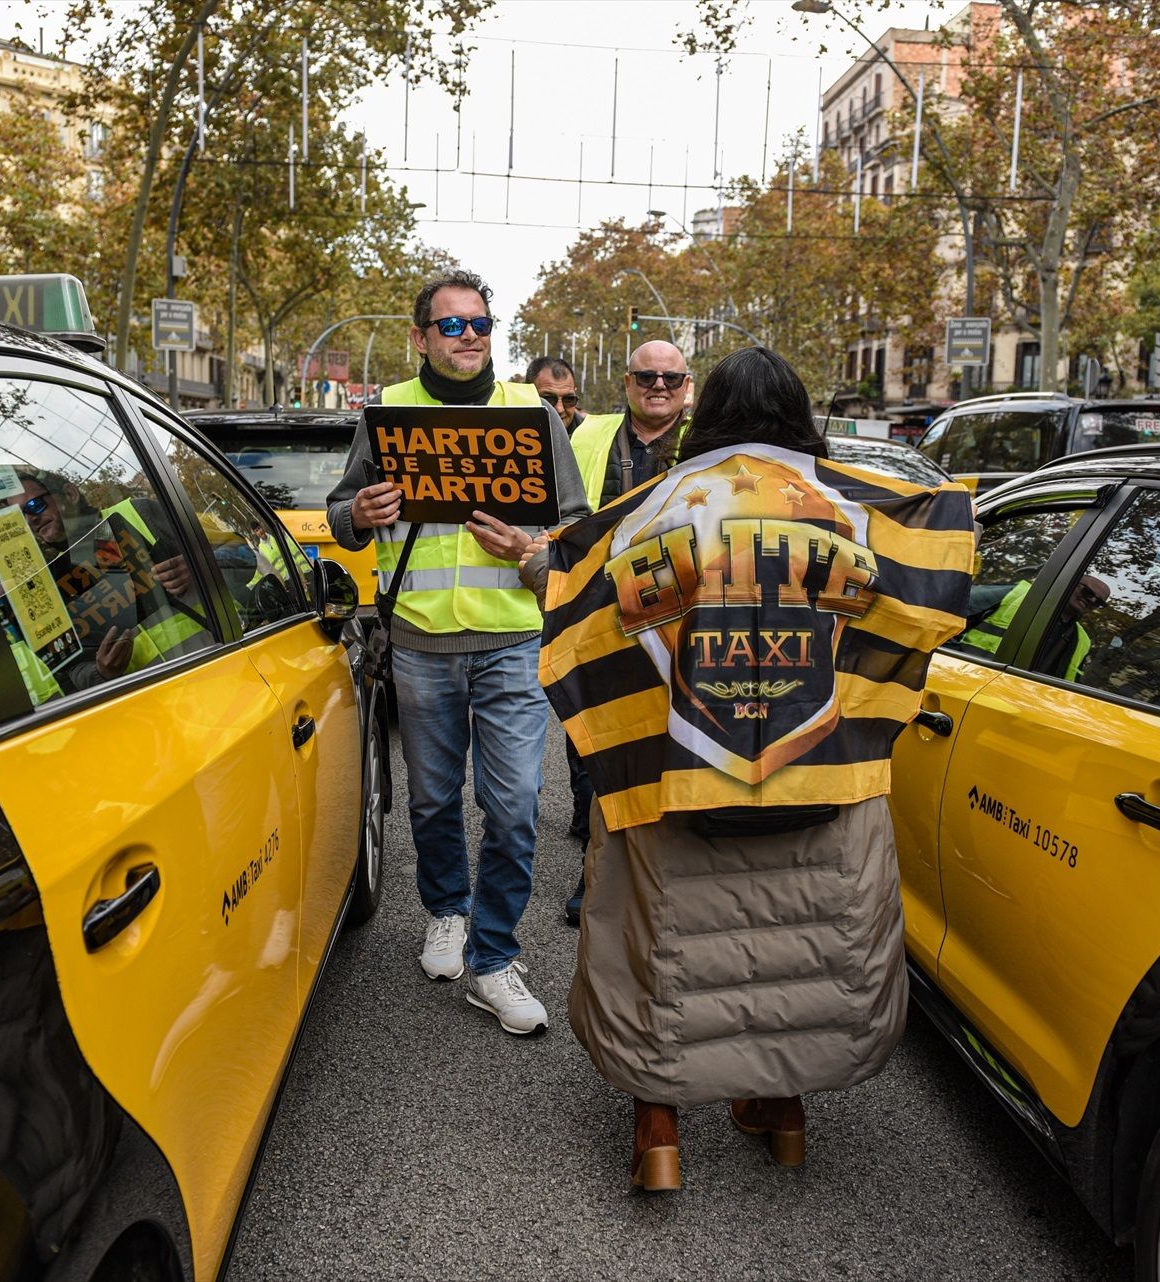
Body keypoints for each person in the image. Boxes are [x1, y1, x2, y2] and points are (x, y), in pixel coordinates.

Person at [518, 346, 972, 1192]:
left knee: (660, 948)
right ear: (800, 415)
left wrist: (541, 565)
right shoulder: (853, 509)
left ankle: (659, 1130)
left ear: (705, 412)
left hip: (675, 780)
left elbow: (578, 598)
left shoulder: (653, 509)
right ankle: (783, 1109)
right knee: (794, 949)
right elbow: (926, 596)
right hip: (820, 775)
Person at [325, 269, 591, 1036]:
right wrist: (358, 513)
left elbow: (574, 529)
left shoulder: (531, 415)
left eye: (479, 323)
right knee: (432, 802)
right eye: (451, 325)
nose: (469, 335)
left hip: (510, 641)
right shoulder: (386, 415)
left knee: (513, 810)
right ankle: (447, 909)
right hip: (418, 643)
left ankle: (494, 956)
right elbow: (344, 514)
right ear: (420, 337)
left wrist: (530, 549)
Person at [556, 339, 693, 925]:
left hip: (682, 630)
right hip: (598, 622)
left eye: (671, 377)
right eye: (647, 377)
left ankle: (665, 879)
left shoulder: (711, 441)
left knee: (675, 754)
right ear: (627, 382)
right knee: (596, 754)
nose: (658, 386)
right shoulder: (584, 437)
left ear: (688, 384)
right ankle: (601, 878)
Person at [7, 471, 207, 690]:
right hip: (150, 703)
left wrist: (200, 567)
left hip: (217, 669)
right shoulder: (49, 584)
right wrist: (101, 672)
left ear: (70, 494)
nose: (31, 519)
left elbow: (238, 553)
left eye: (35, 505)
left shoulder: (139, 513)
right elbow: (75, 670)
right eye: (21, 517)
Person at [962, 573, 1109, 682]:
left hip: (1020, 702)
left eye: (1099, 602)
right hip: (968, 677)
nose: (1091, 600)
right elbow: (950, 610)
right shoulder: (1018, 595)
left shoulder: (1082, 641)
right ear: (1071, 583)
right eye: (1088, 592)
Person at [525, 354, 584, 431]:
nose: (560, 410)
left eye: (569, 399)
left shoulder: (592, 434)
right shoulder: (508, 433)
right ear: (527, 395)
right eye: (548, 400)